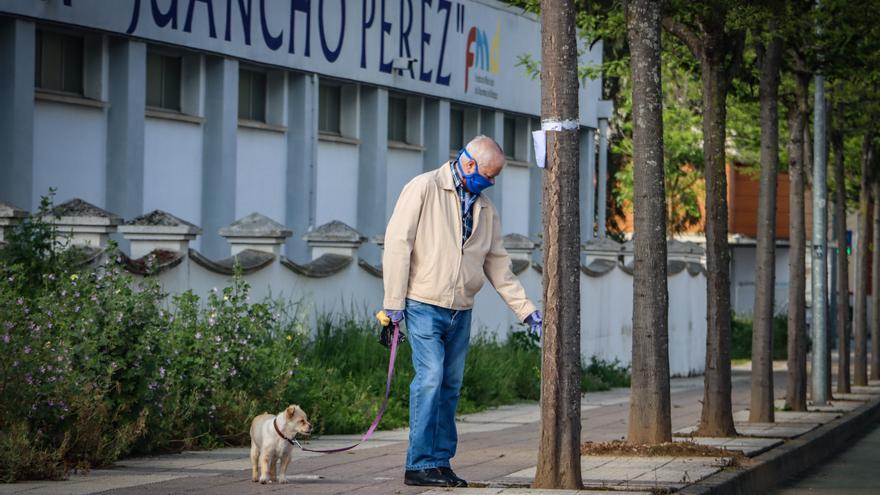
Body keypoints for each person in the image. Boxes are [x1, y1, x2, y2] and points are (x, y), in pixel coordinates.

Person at [381, 135, 543, 488]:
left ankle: (440, 462)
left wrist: (527, 311)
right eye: (489, 174)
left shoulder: (485, 209)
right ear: (468, 164)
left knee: (451, 386)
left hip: (461, 309)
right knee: (431, 378)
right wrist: (393, 305)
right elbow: (397, 244)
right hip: (423, 303)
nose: (492, 182)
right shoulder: (423, 188)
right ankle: (418, 464)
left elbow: (498, 264)